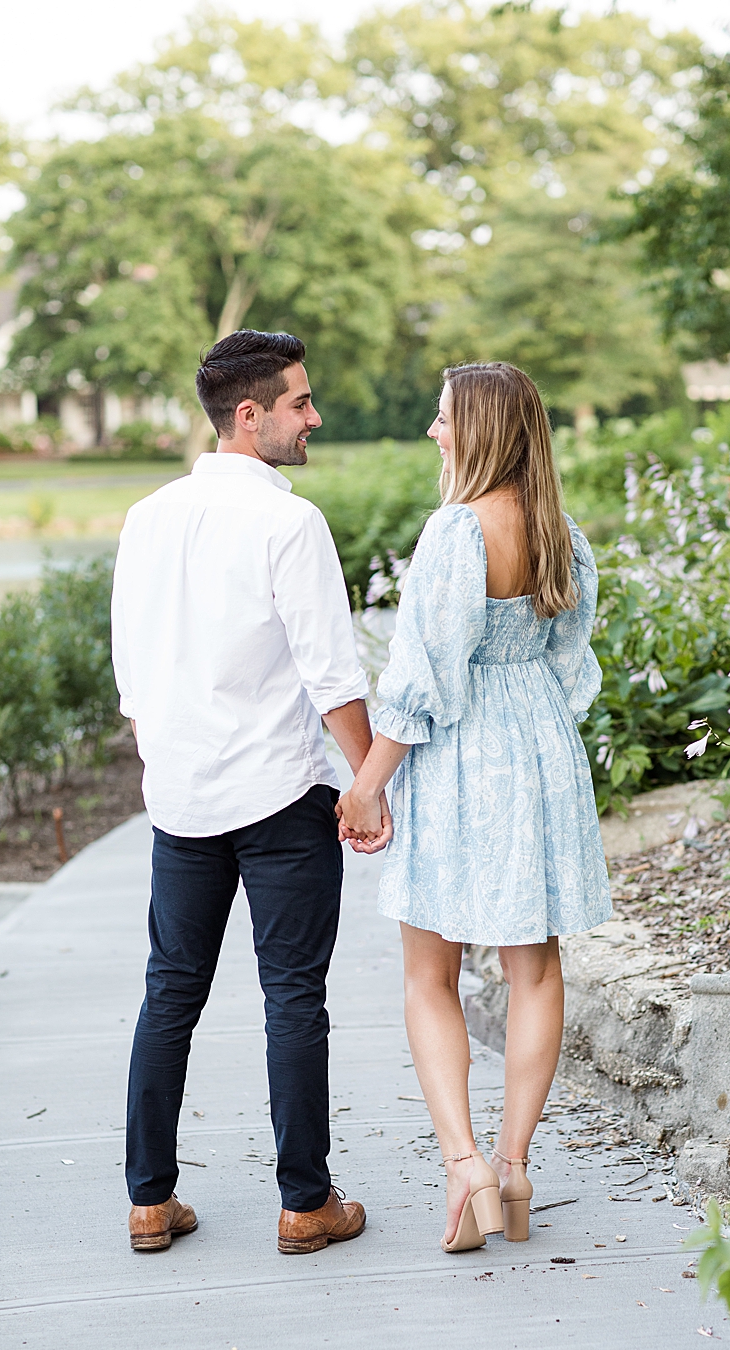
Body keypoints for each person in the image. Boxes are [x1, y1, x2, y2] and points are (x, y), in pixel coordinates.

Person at [111, 329, 385, 1257]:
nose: (315, 418)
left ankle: (150, 1200)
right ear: (249, 414)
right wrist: (368, 787)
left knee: (169, 995)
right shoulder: (287, 522)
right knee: (294, 998)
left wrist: (175, 765)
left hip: (181, 804)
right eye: (301, 403)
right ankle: (306, 1205)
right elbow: (332, 676)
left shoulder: (146, 517)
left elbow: (133, 685)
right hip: (278, 799)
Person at [337, 362, 611, 1253]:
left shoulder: (457, 532)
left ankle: (466, 1167)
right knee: (535, 970)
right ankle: (517, 1165)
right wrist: (530, 731)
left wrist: (368, 781)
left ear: (481, 428)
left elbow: (421, 680)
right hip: (538, 750)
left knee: (431, 974)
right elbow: (570, 666)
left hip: (461, 757)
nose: (432, 431)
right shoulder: (561, 534)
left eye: (443, 416)